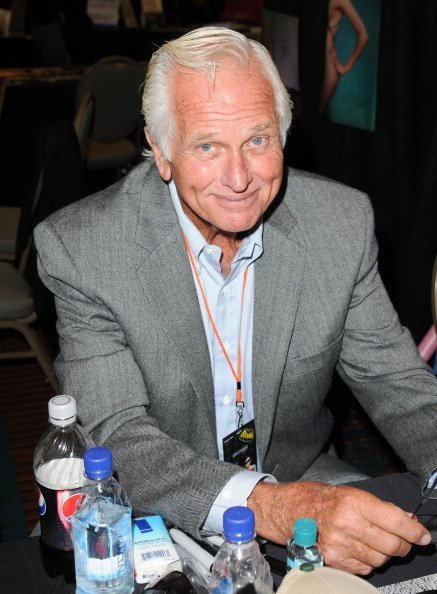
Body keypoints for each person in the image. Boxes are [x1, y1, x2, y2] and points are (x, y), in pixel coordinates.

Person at [34, 27, 437, 576]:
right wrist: (265, 505)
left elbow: (399, 384)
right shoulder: (86, 249)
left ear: (284, 134)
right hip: (157, 507)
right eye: (207, 146)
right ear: (161, 149)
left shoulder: (339, 224)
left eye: (258, 140)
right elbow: (118, 437)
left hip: (303, 477)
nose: (240, 178)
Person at [319, 0, 369, 113]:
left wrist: (344, 67)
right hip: (313, 65)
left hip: (327, 69)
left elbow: (364, 36)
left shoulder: (342, 1)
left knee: (314, 118)